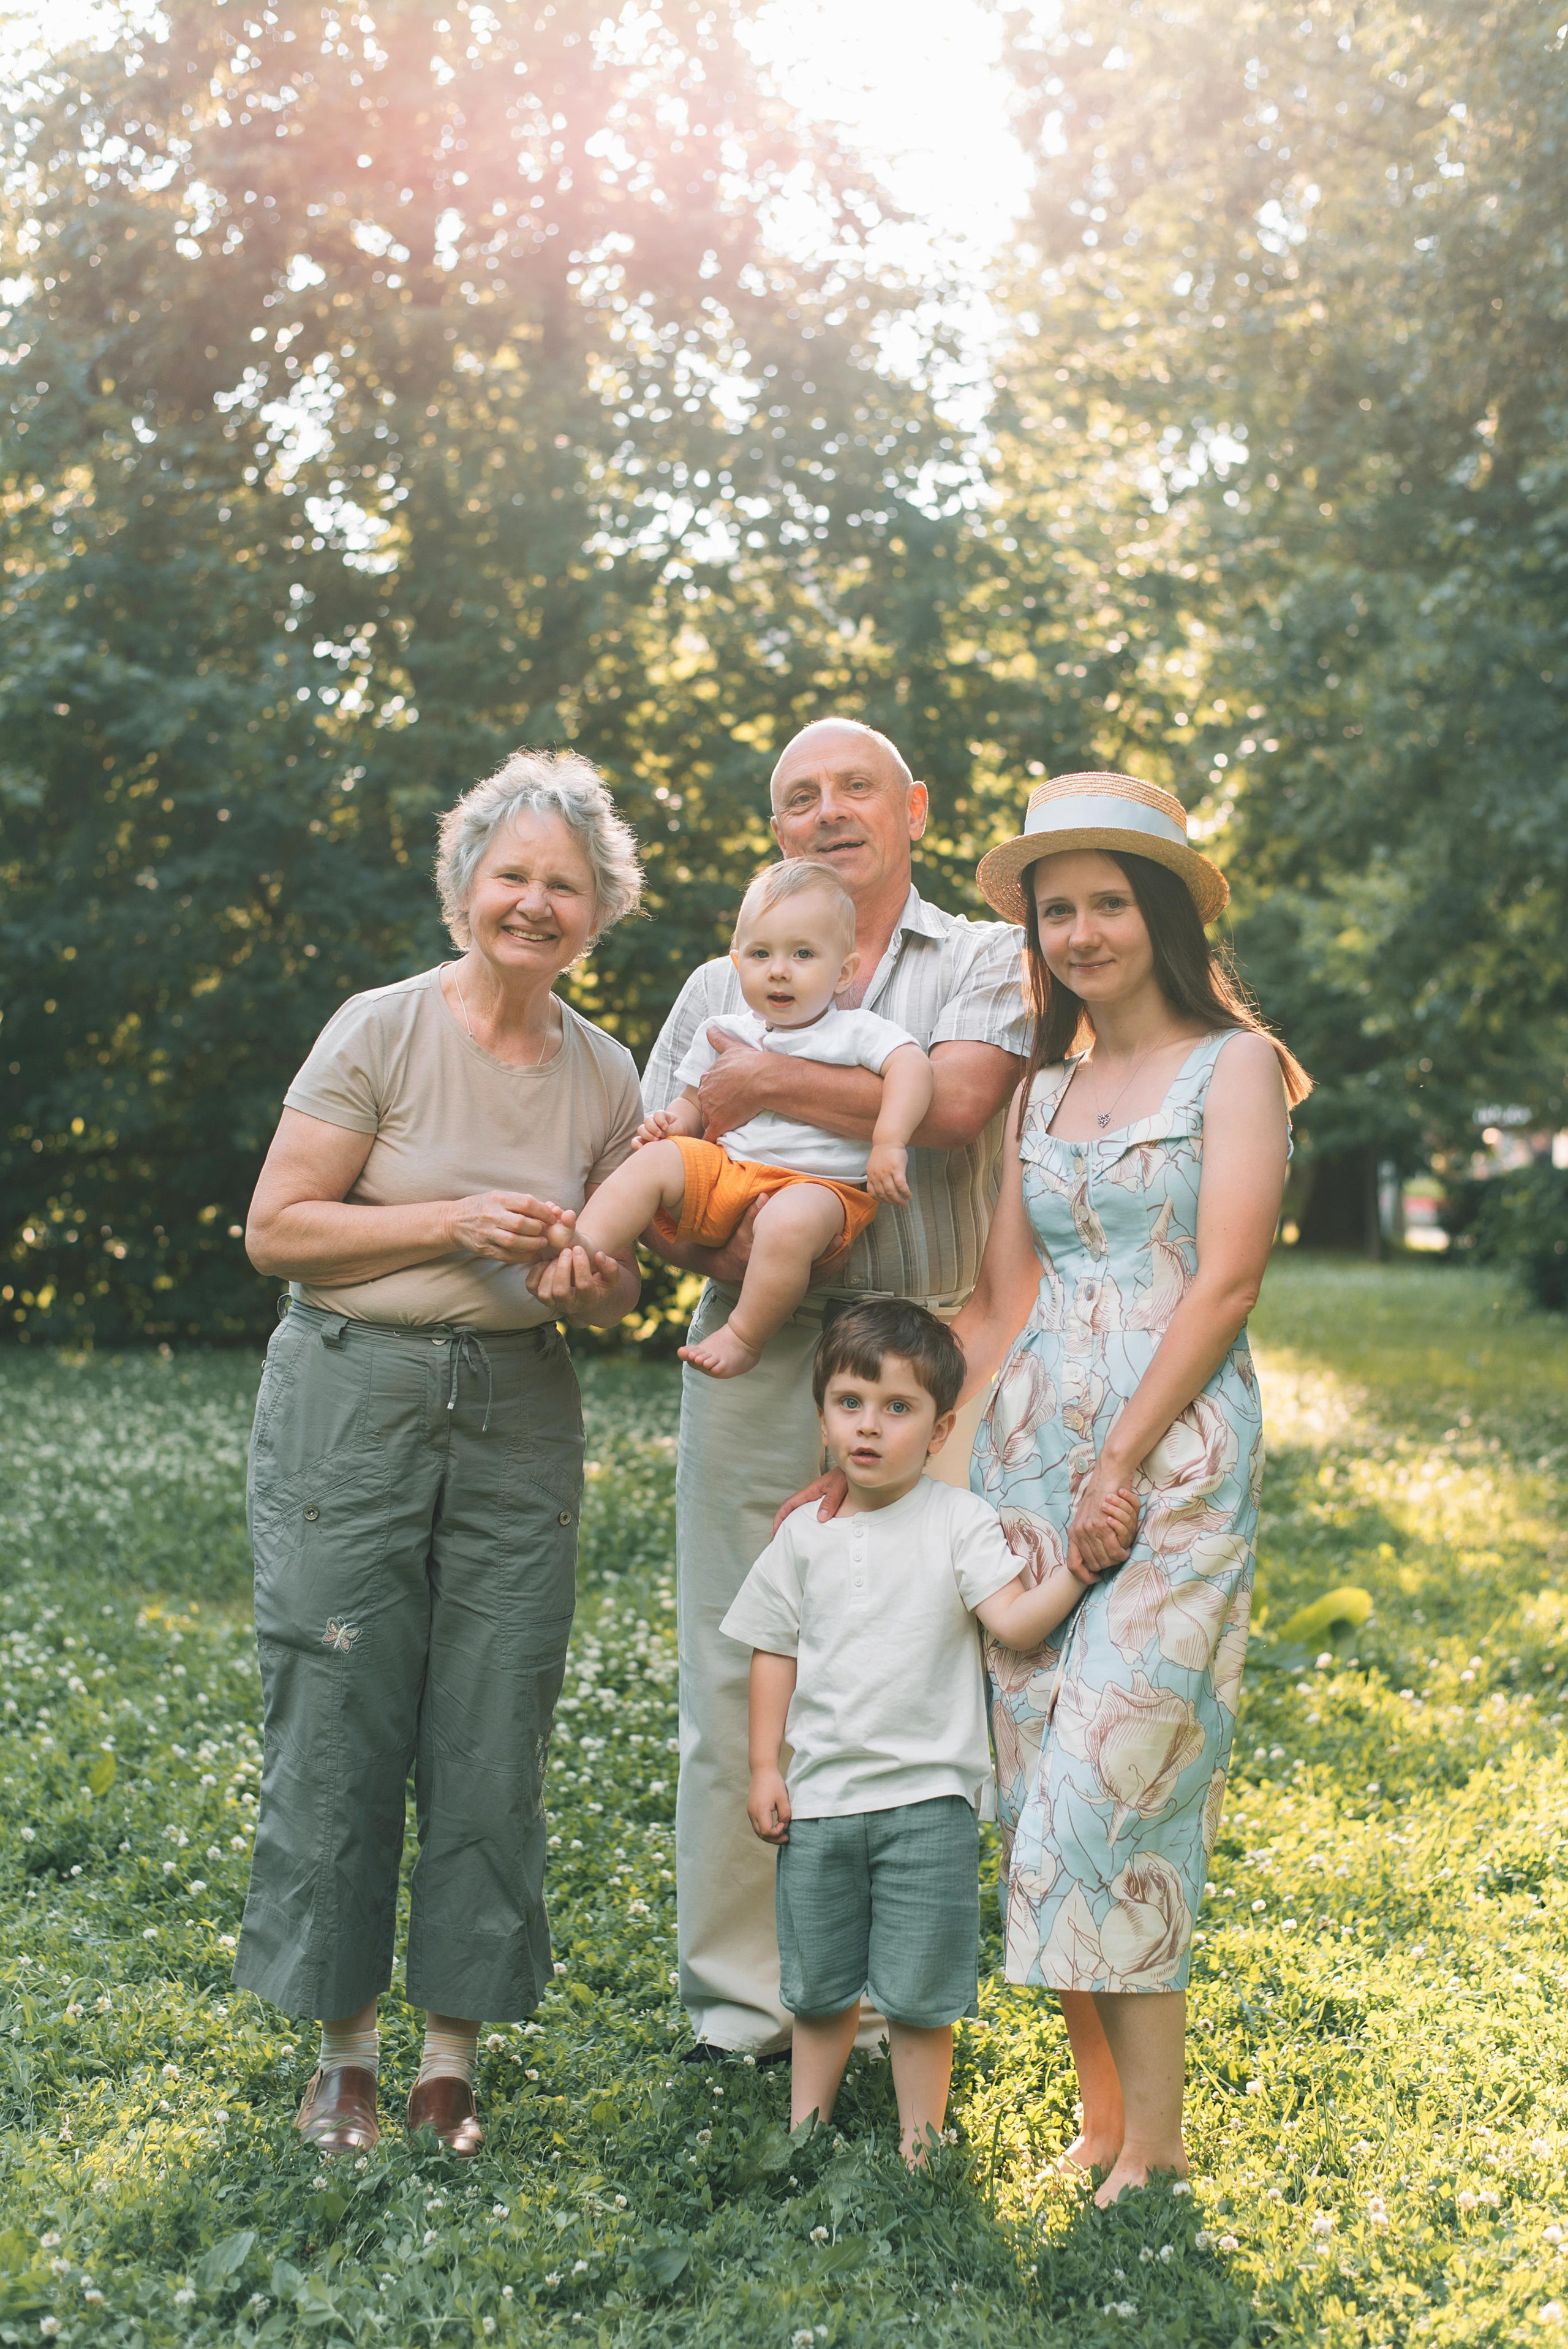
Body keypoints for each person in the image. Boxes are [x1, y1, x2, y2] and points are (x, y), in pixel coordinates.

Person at [236, 749, 646, 2157]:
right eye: (512, 875)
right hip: (351, 1393)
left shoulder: (605, 1071)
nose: (534, 903)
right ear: (465, 886)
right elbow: (277, 1229)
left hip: (520, 1409)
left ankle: (448, 2062)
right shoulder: (382, 1028)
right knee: (337, 1701)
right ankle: (342, 2056)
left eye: (564, 885)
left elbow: (615, 1289)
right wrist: (453, 1221)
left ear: (596, 910)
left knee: (494, 1712)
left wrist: (592, 1278)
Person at [639, 717, 1035, 2059]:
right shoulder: (717, 978)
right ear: (776, 829)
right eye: (799, 795)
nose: (828, 811)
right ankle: (745, 2001)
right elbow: (662, 1166)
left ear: (912, 807)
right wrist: (735, 1246)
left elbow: (961, 1107)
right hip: (759, 1341)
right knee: (741, 1657)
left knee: (910, 1676)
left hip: (929, 1348)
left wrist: (761, 1078)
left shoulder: (980, 957)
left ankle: (882, 2002)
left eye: (855, 786)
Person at [948, 768, 1311, 2205]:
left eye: (1108, 903)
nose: (1081, 932)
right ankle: (1103, 2127)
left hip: (1173, 1469)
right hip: (1025, 1467)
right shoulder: (1035, 1090)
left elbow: (1225, 1280)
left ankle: (1153, 2155)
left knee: (1111, 1791)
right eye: (1057, 911)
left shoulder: (1235, 1067)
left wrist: (1118, 1460)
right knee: (1036, 1795)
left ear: (1162, 915)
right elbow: (995, 1302)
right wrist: (895, 1474)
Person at [722, 1302, 1137, 2162]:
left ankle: (922, 2146)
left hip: (929, 1804)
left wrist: (1076, 1570)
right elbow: (773, 1649)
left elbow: (1013, 1622)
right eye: (849, 1403)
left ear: (940, 1428)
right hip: (822, 1801)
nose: (869, 1426)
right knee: (820, 1988)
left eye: (897, 1407)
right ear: (823, 1416)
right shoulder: (802, 1534)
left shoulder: (958, 1521)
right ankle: (805, 2133)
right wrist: (765, 1765)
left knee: (919, 1996)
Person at [533, 859, 932, 1378]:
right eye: (761, 954)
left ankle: (744, 1335)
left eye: (803, 954)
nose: (779, 970)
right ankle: (583, 1250)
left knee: (786, 1224)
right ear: (738, 963)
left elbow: (912, 1068)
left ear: (843, 972)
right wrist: (673, 1125)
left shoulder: (855, 1030)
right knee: (654, 1161)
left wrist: (890, 1142)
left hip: (819, 1187)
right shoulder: (724, 1029)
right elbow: (693, 1102)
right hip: (730, 1173)